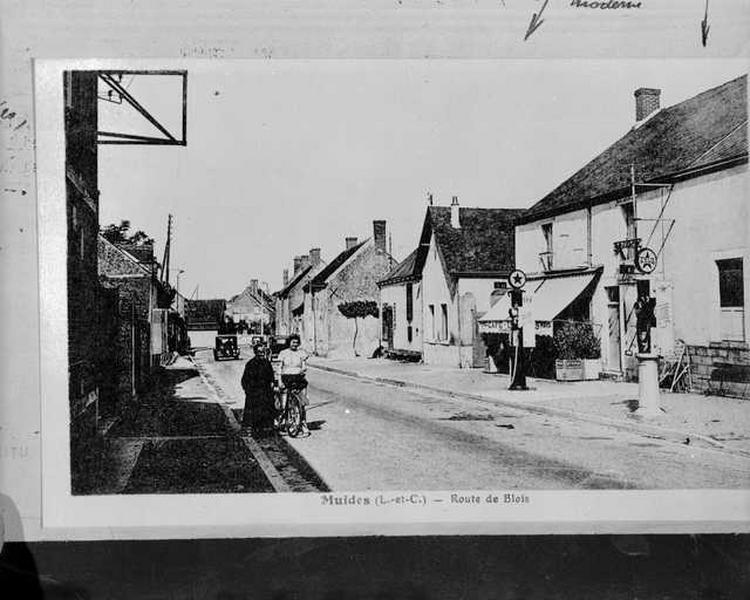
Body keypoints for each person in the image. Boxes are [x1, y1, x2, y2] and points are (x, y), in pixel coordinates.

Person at [277, 334, 310, 436]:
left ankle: (303, 425)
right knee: (284, 404)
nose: (295, 344)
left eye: (296, 342)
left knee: (302, 403)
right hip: (286, 378)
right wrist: (280, 381)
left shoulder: (302, 353)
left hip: (298, 379)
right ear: (289, 343)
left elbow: (304, 366)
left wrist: (303, 369)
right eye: (293, 342)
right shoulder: (283, 353)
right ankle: (285, 422)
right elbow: (280, 368)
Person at [240, 343, 275, 436]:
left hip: (265, 391)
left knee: (266, 410)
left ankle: (265, 429)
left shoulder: (267, 363)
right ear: (255, 352)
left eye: (263, 352)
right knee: (254, 413)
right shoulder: (251, 364)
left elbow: (271, 376)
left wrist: (271, 384)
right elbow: (245, 379)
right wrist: (248, 391)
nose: (261, 354)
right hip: (254, 392)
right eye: (259, 352)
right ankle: (254, 430)